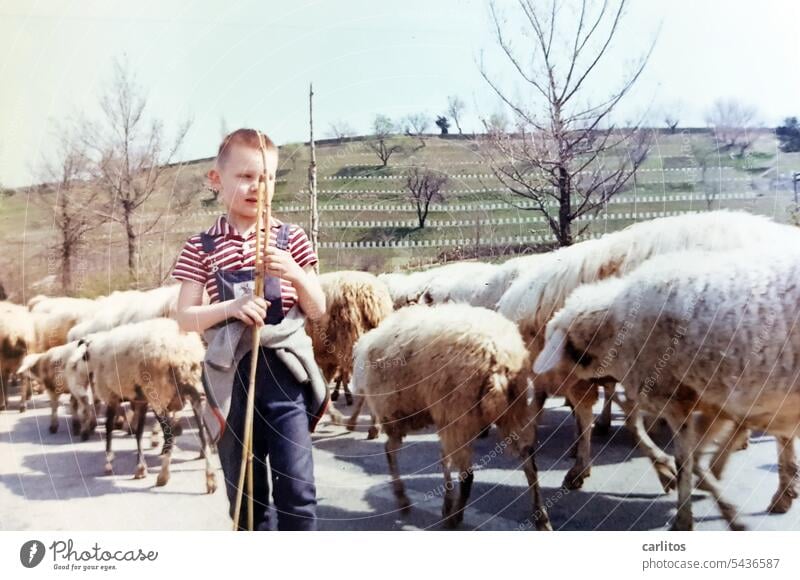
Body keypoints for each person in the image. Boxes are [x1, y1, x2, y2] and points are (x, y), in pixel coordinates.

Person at [172, 128, 326, 531]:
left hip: (284, 376)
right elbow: (184, 317)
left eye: (268, 177)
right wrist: (234, 307)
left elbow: (318, 307)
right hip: (231, 377)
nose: (258, 187)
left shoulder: (290, 238)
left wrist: (292, 272)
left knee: (298, 491)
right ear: (215, 179)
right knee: (246, 497)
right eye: (245, 176)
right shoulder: (201, 246)